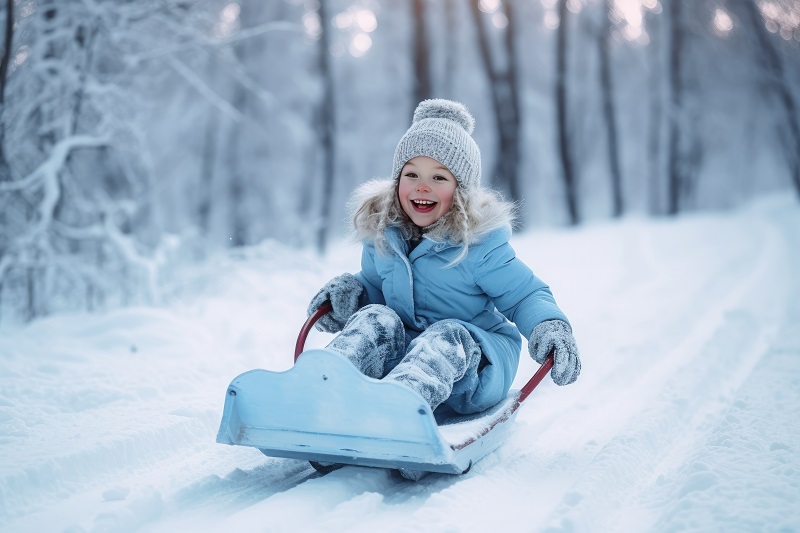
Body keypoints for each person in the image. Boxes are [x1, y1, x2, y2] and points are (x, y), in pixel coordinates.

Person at [307, 99, 580, 415]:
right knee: (375, 318)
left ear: (460, 190)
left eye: (439, 178)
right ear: (397, 182)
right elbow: (376, 288)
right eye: (411, 175)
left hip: (473, 365)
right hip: (405, 359)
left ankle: (401, 415)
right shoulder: (384, 236)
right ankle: (325, 395)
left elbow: (522, 295)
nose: (422, 187)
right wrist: (350, 298)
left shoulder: (479, 245)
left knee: (446, 334)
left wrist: (549, 326)